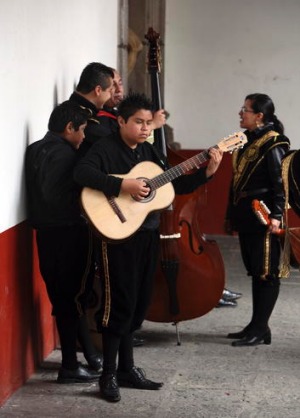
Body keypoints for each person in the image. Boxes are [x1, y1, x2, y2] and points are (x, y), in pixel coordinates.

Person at [74, 92, 223, 402]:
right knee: (120, 304)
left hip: (147, 234)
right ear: (121, 122)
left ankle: (128, 369)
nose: (144, 128)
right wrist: (122, 185)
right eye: (138, 122)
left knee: (140, 303)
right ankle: (109, 375)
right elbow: (82, 174)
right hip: (117, 236)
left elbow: (173, 185)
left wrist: (206, 172)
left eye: (148, 123)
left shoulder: (151, 152)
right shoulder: (105, 148)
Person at [25, 101, 102, 383]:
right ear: (69, 128)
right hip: (69, 235)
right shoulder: (70, 156)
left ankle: (85, 358)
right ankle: (70, 365)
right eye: (81, 130)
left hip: (45, 236)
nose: (82, 137)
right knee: (73, 300)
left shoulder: (35, 149)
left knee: (62, 298)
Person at [225, 93, 290, 347]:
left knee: (267, 272)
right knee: (256, 271)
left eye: (245, 110)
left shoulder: (273, 142)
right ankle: (256, 325)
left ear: (259, 116)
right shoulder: (246, 140)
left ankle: (261, 327)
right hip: (246, 213)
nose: (241, 113)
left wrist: (276, 215)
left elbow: (279, 182)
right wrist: (230, 215)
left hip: (264, 214)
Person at [69, 62, 115, 158]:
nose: (111, 95)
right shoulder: (81, 118)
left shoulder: (75, 107)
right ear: (98, 90)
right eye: (110, 90)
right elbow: (113, 142)